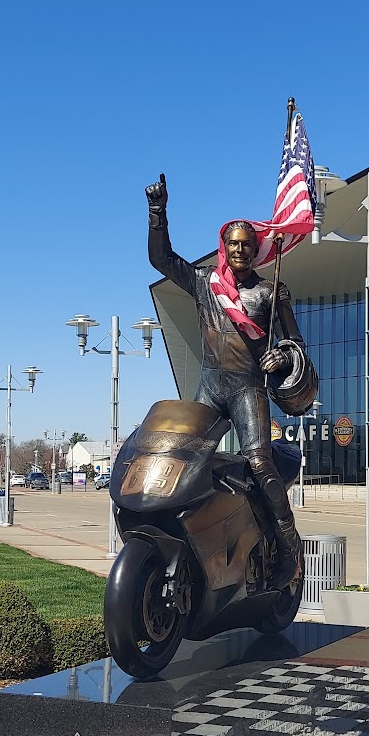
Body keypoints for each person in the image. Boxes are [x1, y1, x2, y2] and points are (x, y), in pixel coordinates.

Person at [146, 174, 313, 589]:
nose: (240, 250)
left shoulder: (271, 292)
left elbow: (295, 342)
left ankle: (289, 544)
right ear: (225, 246)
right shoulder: (205, 283)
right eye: (233, 243)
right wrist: (157, 212)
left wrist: (284, 353)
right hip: (209, 385)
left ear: (256, 250)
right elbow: (162, 260)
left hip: (246, 388)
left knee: (259, 462)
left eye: (247, 245)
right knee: (182, 454)